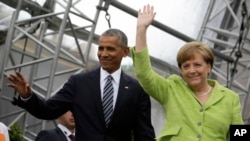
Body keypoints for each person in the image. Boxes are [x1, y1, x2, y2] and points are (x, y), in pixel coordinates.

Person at [7, 28, 155, 141]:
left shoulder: (137, 90)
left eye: (110, 49)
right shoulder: (79, 83)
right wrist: (27, 96)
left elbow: (144, 135)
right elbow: (47, 110)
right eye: (100, 48)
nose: (103, 54)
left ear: (125, 52)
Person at [130, 4, 244, 141]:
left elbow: (240, 134)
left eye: (197, 65)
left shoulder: (230, 98)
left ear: (209, 67)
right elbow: (144, 74)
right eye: (186, 66)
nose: (191, 70)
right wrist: (141, 30)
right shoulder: (172, 88)